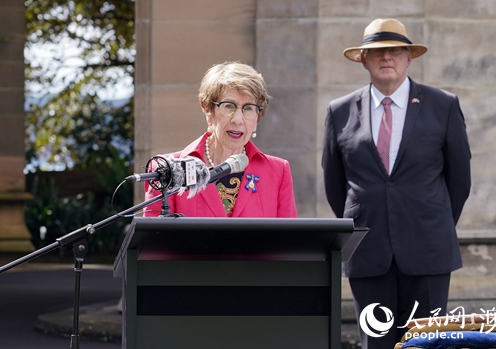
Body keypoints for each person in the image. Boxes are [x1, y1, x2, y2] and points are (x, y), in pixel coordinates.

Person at [322, 18, 471, 349]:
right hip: (368, 252)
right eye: (377, 51)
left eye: (395, 50)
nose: (386, 57)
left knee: (426, 344)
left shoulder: (443, 106)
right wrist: (366, 220)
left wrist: (432, 220)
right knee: (375, 345)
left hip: (428, 250)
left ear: (409, 58)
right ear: (363, 59)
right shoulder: (340, 111)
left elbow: (459, 181)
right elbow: (335, 184)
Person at [143, 61, 298, 218]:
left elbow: (289, 241)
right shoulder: (167, 170)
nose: (238, 120)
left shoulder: (278, 172)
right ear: (208, 110)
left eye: (249, 108)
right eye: (229, 106)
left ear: (258, 118)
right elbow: (153, 240)